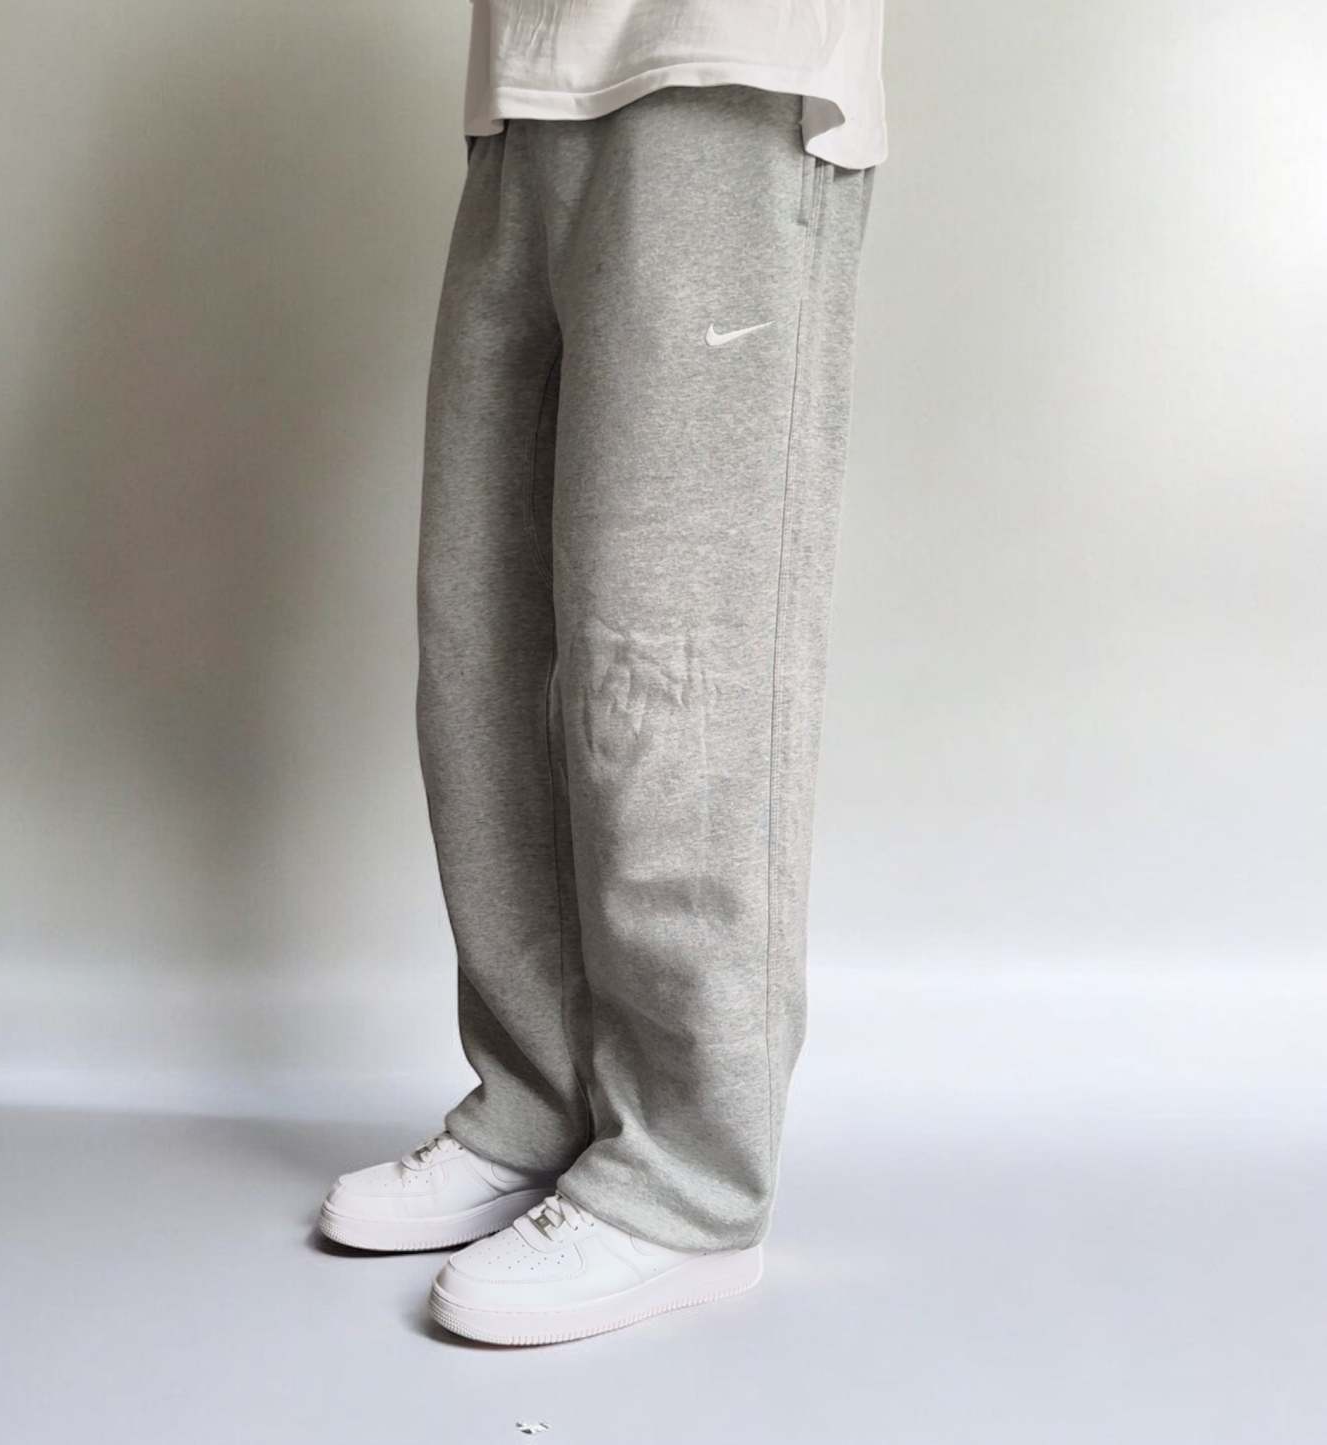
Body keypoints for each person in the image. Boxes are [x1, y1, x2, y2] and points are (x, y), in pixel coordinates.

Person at [319, 0, 886, 1345]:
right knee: (485, 637)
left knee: (676, 639)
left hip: (731, 67)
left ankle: (689, 1181)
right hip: (530, 84)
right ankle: (543, 1101)